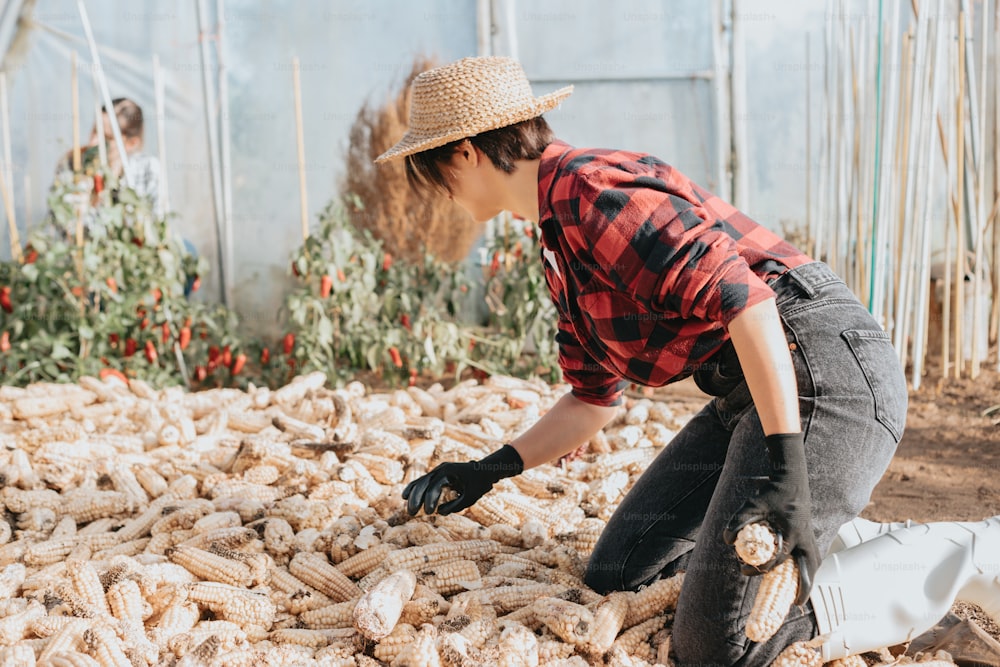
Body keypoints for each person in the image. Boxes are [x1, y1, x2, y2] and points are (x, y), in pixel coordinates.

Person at [381, 57, 999, 666]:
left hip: (821, 371)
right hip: (750, 392)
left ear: (464, 152)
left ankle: (965, 555)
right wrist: (490, 469)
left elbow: (749, 302)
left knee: (719, 648)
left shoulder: (590, 193)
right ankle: (844, 545)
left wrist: (786, 464)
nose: (440, 194)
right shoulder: (556, 237)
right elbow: (593, 399)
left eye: (433, 173)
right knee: (622, 572)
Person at [54, 97, 161, 215]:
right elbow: (60, 221)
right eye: (95, 130)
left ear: (131, 143)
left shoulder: (146, 170)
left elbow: (155, 220)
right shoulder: (73, 163)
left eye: (106, 137)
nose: (93, 142)